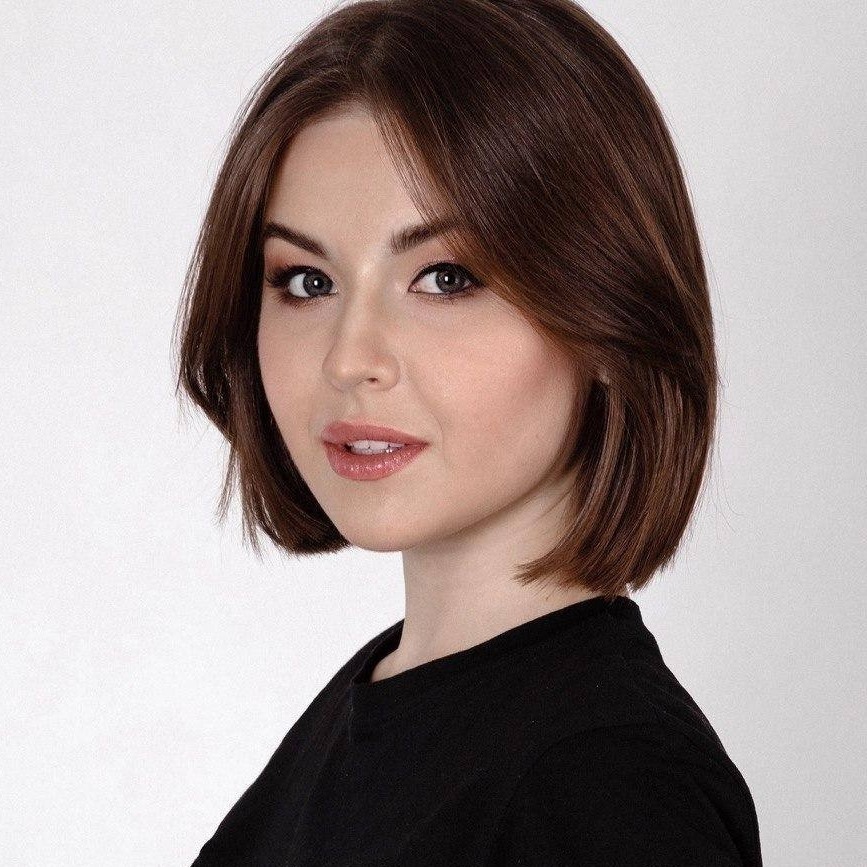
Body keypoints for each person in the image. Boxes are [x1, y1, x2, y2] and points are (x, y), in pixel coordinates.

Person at [174, 0, 763, 864]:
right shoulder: (375, 711)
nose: (350, 358)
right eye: (305, 281)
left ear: (608, 314)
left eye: (446, 277)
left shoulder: (604, 784)